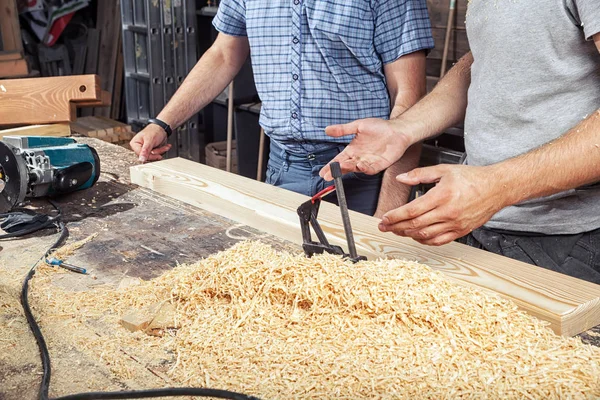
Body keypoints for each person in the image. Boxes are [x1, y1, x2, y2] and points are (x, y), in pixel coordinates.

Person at [319, 2, 600, 283]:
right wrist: (402, 130)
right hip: (478, 226)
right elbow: (485, 59)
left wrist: (493, 187)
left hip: (563, 240)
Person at [128, 0, 434, 216]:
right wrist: (162, 123)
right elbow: (223, 54)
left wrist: (387, 212)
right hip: (284, 168)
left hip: (363, 173)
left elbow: (408, 101)